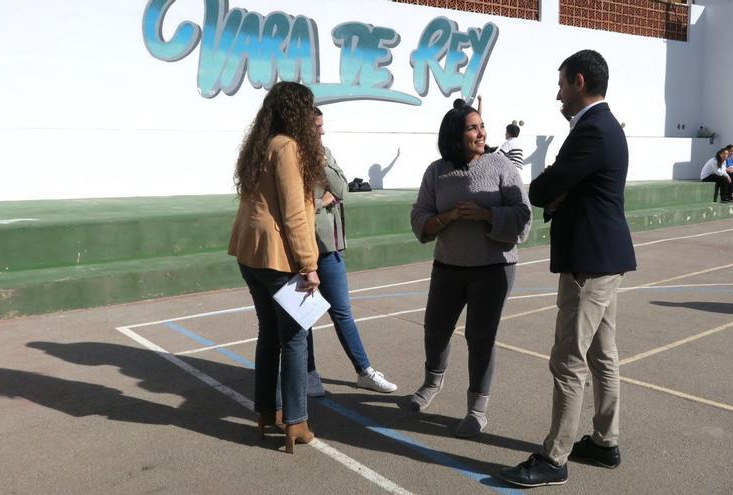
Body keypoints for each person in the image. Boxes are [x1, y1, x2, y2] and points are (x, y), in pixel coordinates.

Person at [500, 49, 637, 487]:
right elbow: (565, 188)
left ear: (579, 82)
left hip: (589, 262)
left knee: (568, 359)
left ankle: (554, 457)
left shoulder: (593, 130)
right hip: (602, 257)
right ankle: (604, 441)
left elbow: (543, 188)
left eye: (561, 85)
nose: (557, 95)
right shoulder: (603, 127)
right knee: (601, 354)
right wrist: (562, 191)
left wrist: (555, 191)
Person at [408, 104, 531, 438]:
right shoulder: (436, 172)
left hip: (494, 269)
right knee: (435, 329)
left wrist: (486, 214)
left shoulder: (502, 167)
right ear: (454, 136)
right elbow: (420, 217)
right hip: (448, 265)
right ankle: (432, 384)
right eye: (473, 128)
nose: (482, 134)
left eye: (482, 126)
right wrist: (447, 217)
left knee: (480, 338)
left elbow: (524, 215)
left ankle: (477, 409)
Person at [227, 81, 322, 454]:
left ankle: (266, 412)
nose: (316, 120)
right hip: (277, 257)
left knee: (269, 334)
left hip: (251, 255)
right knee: (294, 339)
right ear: (299, 113)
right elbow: (294, 213)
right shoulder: (287, 148)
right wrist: (309, 264)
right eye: (311, 111)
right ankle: (296, 421)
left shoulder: (262, 144)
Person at [305, 107, 397, 397]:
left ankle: (364, 371)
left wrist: (321, 162)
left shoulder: (324, 152)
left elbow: (342, 188)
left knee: (342, 311)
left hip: (329, 247)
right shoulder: (288, 156)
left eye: (322, 125)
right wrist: (320, 203)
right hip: (303, 245)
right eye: (317, 126)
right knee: (305, 316)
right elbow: (293, 205)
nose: (322, 131)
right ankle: (308, 373)